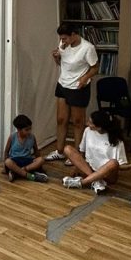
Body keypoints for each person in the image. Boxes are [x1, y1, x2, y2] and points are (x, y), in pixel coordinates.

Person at [45, 23, 98, 163]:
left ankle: (77, 155)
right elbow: (62, 64)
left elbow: (95, 68)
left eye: (65, 38)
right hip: (63, 84)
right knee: (61, 119)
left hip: (78, 87)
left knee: (78, 122)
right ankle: (60, 151)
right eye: (61, 38)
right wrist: (56, 57)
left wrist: (85, 78)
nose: (62, 41)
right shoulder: (63, 44)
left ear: (74, 34)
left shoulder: (88, 48)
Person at [62, 109, 127, 192]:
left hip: (107, 174)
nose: (87, 124)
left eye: (90, 123)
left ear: (99, 127)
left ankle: (82, 182)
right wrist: (77, 167)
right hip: (89, 169)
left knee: (113, 163)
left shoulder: (117, 141)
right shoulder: (87, 131)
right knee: (67, 149)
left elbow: (119, 165)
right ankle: (96, 180)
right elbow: (82, 152)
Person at [2, 113, 47, 183]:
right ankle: (30, 176)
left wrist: (40, 165)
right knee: (8, 162)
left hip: (27, 161)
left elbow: (36, 151)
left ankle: (16, 173)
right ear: (19, 129)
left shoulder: (32, 137)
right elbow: (6, 151)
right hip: (15, 161)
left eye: (30, 129)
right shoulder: (12, 137)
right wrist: (4, 167)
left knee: (41, 159)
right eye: (26, 130)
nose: (29, 131)